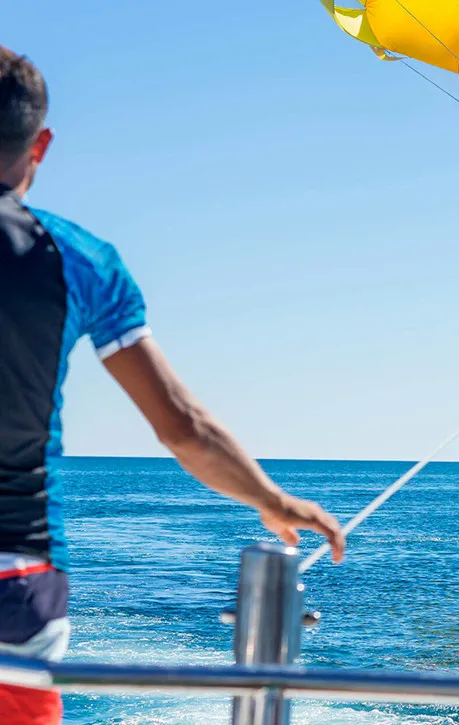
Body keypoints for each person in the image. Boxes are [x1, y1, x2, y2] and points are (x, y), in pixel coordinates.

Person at [0, 47, 346, 724]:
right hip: (21, 585)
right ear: (40, 144)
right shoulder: (80, 259)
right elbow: (181, 424)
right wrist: (272, 499)